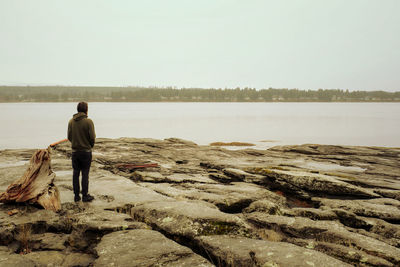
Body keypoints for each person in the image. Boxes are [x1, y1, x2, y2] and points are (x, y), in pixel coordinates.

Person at [67, 102, 96, 202]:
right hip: (86, 152)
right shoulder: (88, 122)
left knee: (75, 173)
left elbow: (69, 137)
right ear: (86, 110)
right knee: (85, 173)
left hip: (75, 152)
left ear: (77, 109)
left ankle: (76, 196)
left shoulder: (71, 121)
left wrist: (76, 143)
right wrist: (89, 145)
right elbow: (92, 137)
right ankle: (85, 195)